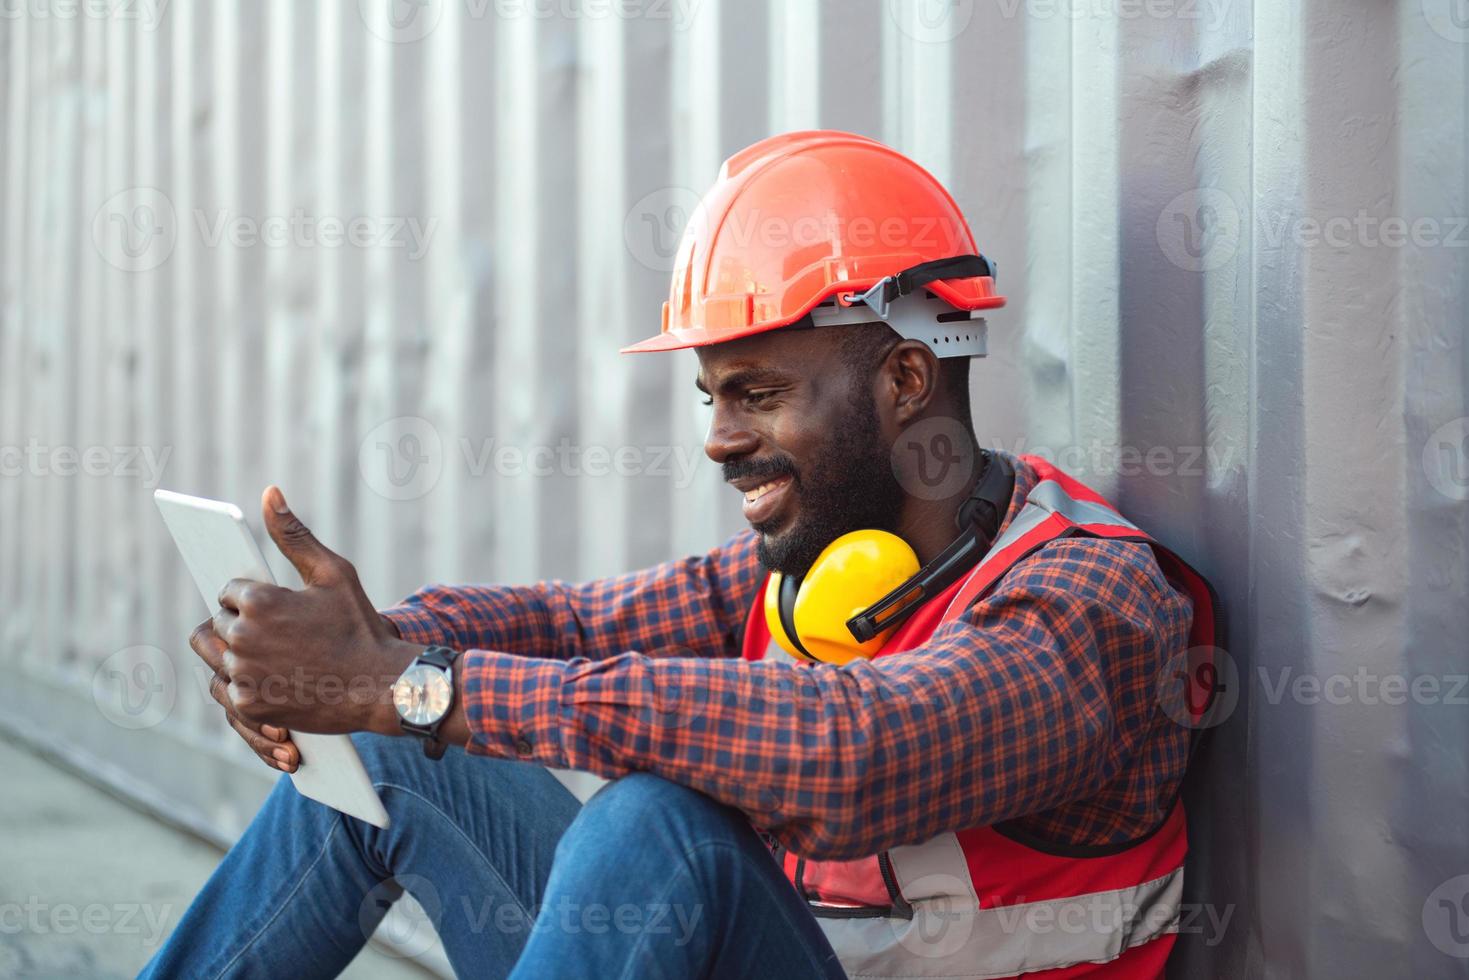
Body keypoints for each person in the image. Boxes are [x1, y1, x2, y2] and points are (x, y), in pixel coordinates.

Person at [141, 131, 1219, 980]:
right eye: (710, 396)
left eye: (756, 391)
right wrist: (342, 658)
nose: (715, 435)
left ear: (901, 382)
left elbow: (857, 750)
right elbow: (567, 626)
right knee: (384, 754)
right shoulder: (811, 579)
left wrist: (411, 685)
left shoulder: (1089, 603)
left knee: (655, 821)